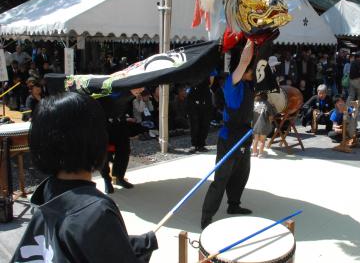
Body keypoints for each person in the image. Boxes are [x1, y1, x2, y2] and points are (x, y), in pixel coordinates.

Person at [11, 92, 158, 262]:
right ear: (95, 139)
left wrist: (140, 243)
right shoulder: (96, 211)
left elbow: (75, 242)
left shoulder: (45, 192)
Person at [201, 39, 255, 230]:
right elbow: (243, 62)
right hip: (229, 138)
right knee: (221, 178)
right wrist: (252, 40)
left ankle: (234, 205)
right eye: (251, 69)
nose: (253, 72)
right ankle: (206, 218)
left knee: (241, 174)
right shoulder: (233, 83)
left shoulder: (248, 86)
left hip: (244, 136)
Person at [99, 89, 145, 194]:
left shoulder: (125, 92)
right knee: (104, 154)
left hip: (120, 124)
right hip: (105, 126)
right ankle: (107, 179)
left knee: (124, 151)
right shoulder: (102, 92)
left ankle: (119, 177)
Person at [187, 77, 213, 153]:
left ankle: (201, 143)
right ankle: (195, 144)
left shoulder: (209, 68)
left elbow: (211, 81)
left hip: (205, 92)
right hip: (194, 92)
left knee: (205, 121)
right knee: (194, 121)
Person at [251, 92, 277, 158]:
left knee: (255, 140)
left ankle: (254, 153)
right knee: (262, 140)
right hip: (264, 125)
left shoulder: (255, 103)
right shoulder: (267, 104)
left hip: (255, 124)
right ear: (266, 97)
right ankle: (260, 154)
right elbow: (271, 116)